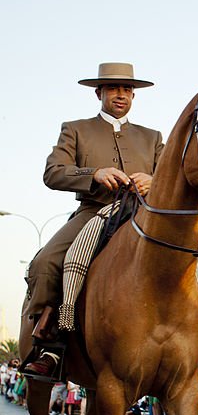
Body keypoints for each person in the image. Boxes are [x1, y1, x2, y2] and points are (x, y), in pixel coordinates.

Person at [23, 62, 163, 377]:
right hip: (92, 211)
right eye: (113, 88)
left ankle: (191, 347)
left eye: (127, 89)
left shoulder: (153, 137)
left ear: (133, 96)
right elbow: (52, 172)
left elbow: (169, 176)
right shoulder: (75, 128)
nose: (121, 94)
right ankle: (48, 342)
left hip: (142, 215)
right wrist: (94, 173)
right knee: (46, 263)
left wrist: (154, 180)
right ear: (98, 92)